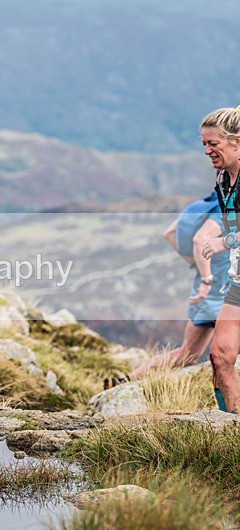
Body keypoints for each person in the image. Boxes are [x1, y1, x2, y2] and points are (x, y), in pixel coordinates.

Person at [104, 193, 229, 388]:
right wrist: (207, 279)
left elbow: (169, 233)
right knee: (225, 354)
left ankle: (124, 382)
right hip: (221, 291)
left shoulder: (209, 204)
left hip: (206, 294)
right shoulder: (226, 209)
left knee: (186, 354)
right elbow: (200, 240)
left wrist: (198, 267)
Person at [200, 107, 240, 414]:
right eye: (204, 144)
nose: (207, 150)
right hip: (237, 280)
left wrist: (222, 242)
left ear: (237, 143)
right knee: (220, 356)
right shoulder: (223, 178)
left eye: (213, 143)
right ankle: (233, 432)